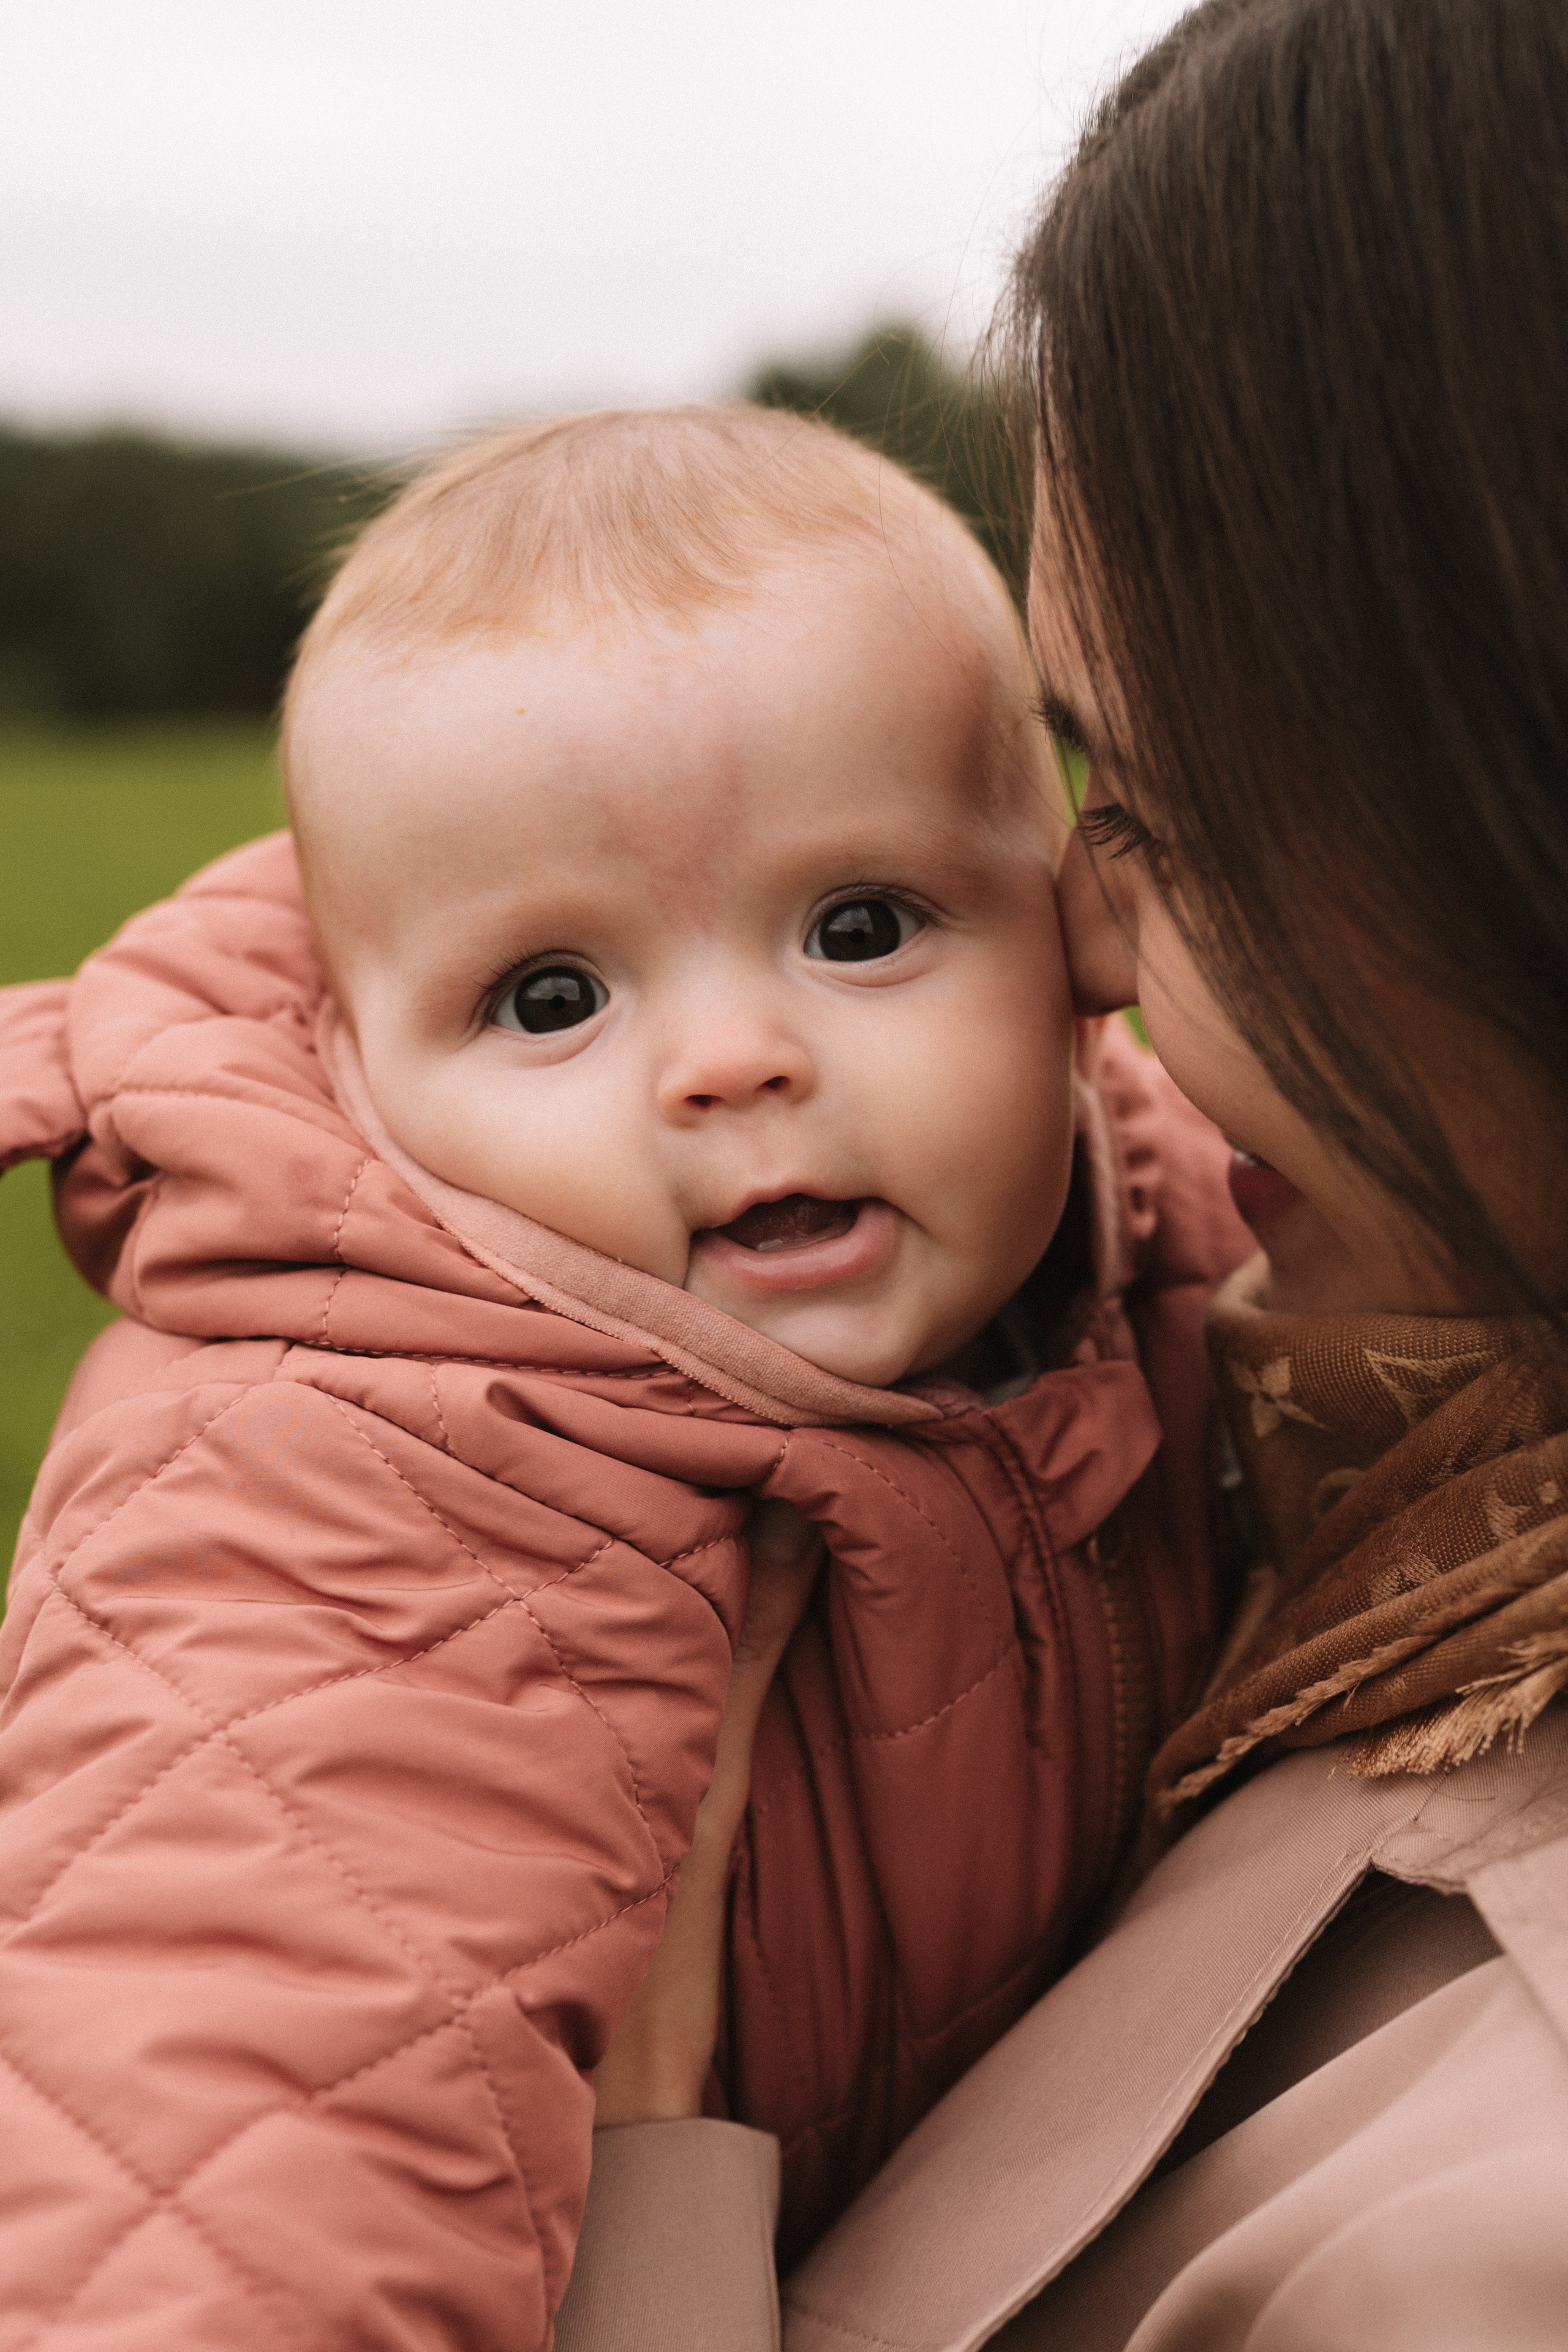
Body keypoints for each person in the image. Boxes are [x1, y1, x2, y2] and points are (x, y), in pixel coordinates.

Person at [0, 407, 1249, 2346]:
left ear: (1076, 935)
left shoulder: (1159, 1247)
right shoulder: (357, 1494)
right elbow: (228, 2179)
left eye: (861, 927)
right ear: (362, 1062)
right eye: (553, 997)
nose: (731, 1060)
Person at [551, 1, 1568, 2344]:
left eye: (1170, 805)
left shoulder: (1489, 2214)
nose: (1088, 950)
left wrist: (641, 2149)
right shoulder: (1361, 1513)